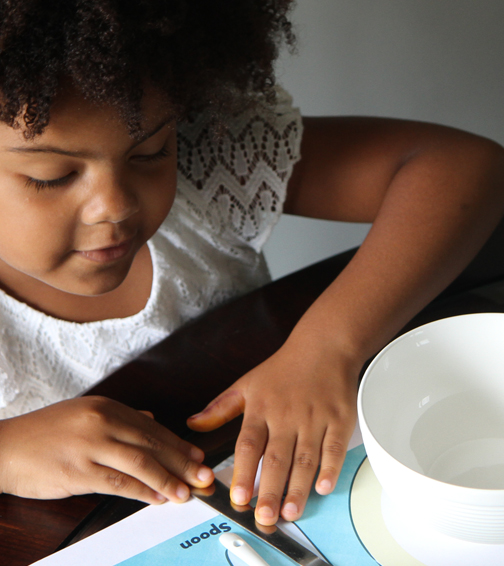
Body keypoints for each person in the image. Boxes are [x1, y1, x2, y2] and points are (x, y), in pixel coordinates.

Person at [0, 1, 503, 527]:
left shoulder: (210, 162)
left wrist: (327, 348)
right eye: (52, 175)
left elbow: (467, 170)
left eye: (151, 152)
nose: (116, 205)